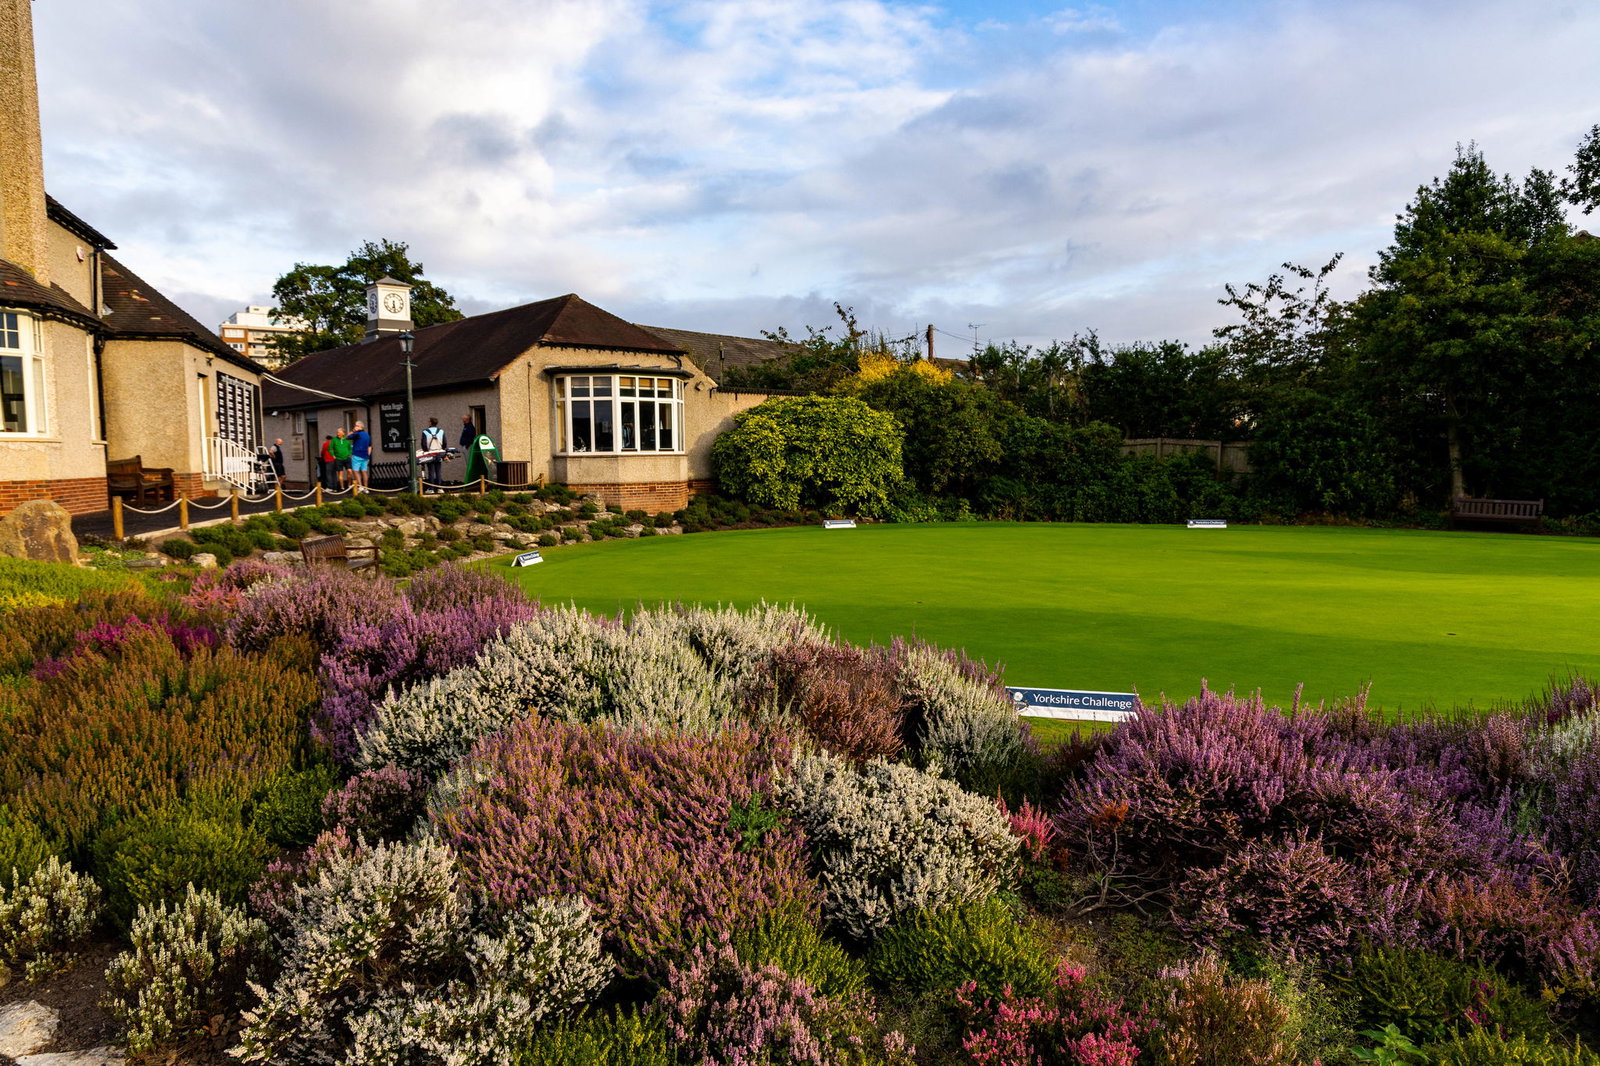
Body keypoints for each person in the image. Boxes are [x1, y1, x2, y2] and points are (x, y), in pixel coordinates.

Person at [420, 416, 446, 493]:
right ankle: (439, 488)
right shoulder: (441, 431)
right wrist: (442, 450)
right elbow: (445, 443)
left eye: (429, 421)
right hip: (439, 452)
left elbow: (423, 444)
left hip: (430, 453)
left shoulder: (425, 431)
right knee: (438, 471)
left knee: (431, 470)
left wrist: (425, 451)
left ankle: (431, 489)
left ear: (430, 423)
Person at [349, 420, 372, 493]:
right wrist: (368, 456)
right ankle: (366, 488)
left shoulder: (357, 434)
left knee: (355, 471)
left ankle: (360, 486)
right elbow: (370, 446)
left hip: (357, 454)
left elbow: (348, 436)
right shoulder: (367, 435)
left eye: (356, 426)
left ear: (359, 427)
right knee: (364, 471)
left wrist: (353, 430)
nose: (355, 427)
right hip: (365, 455)